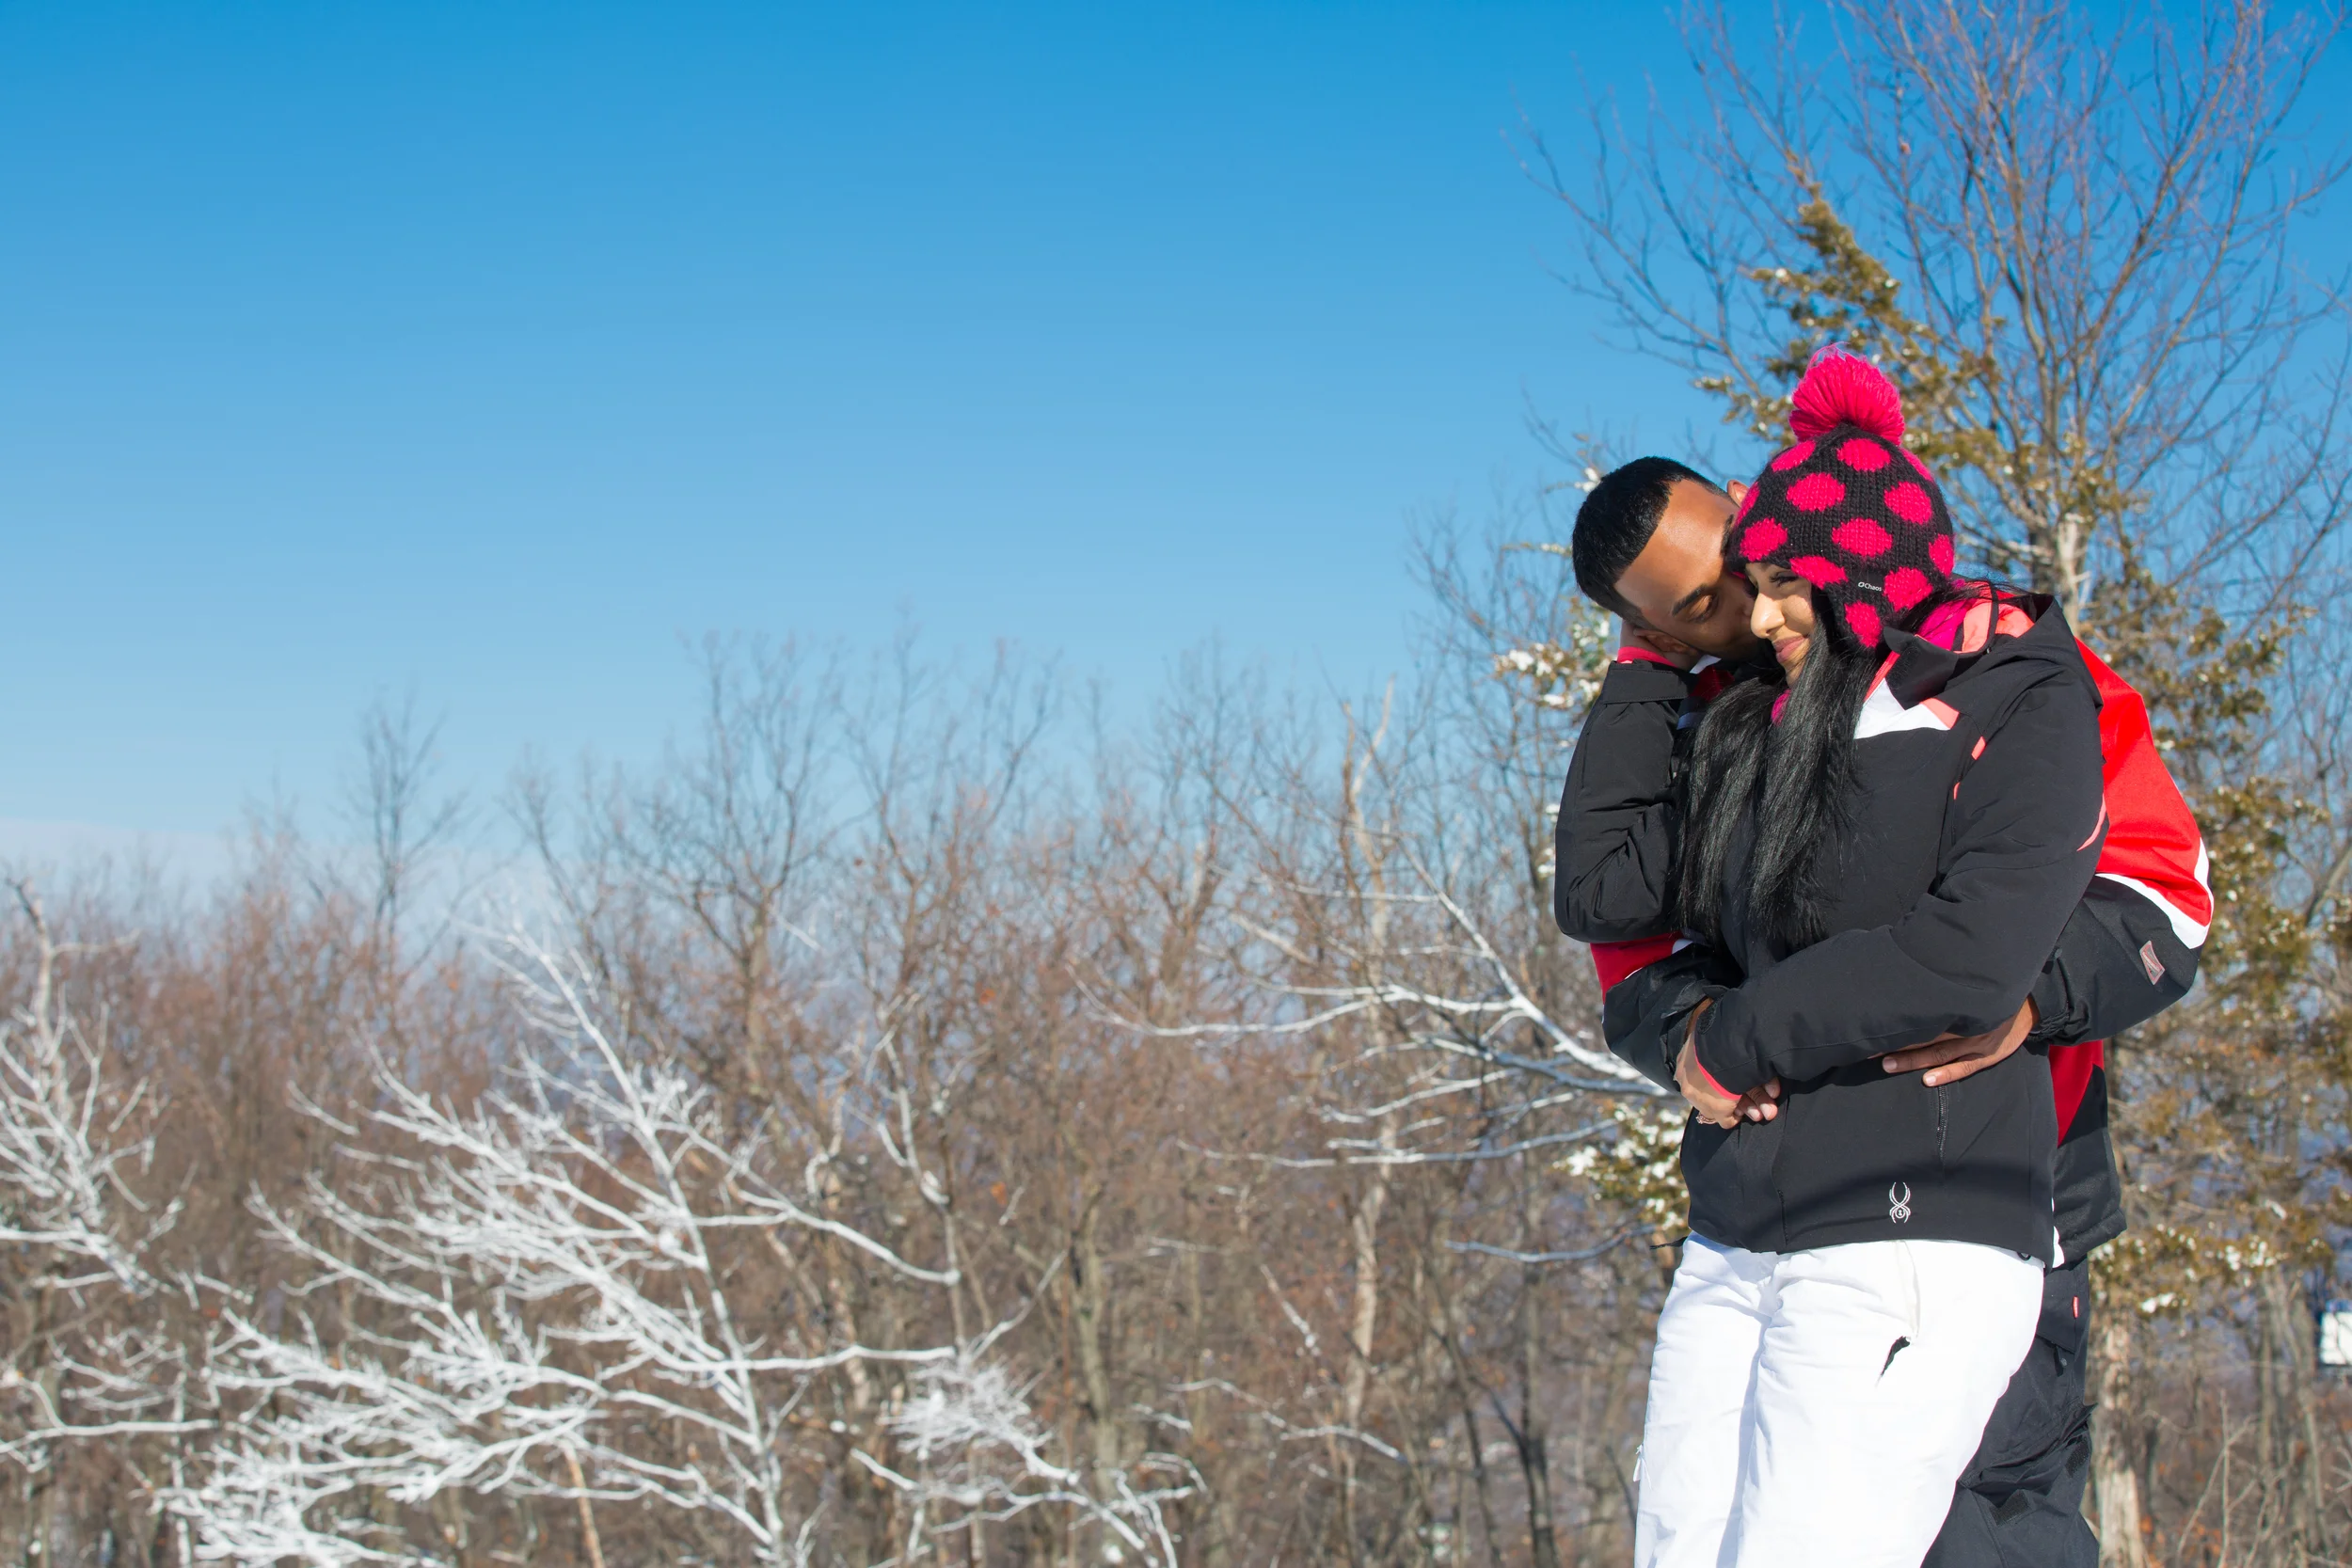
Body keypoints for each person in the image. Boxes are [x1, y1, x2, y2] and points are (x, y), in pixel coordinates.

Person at [1554, 448, 2210, 1564]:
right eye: (1707, 605)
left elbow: (2163, 886)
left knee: (1980, 1534)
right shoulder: (1725, 718)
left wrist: (2032, 999)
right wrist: (1692, 1038)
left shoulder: (1985, 662)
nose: (1754, 606)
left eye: (1752, 559)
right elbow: (1619, 919)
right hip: (1779, 1215)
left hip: (2005, 1186)